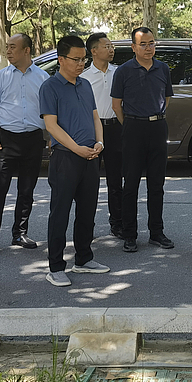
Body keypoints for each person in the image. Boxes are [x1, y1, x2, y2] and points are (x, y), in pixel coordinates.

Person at [39, 35, 109, 287]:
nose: (81, 64)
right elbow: (51, 126)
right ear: (61, 59)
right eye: (76, 59)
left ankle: (84, 259)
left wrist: (99, 142)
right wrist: (77, 148)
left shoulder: (85, 85)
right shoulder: (50, 87)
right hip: (66, 158)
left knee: (87, 210)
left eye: (83, 59)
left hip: (90, 156)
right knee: (60, 213)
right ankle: (56, 267)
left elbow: (95, 117)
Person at [0, 33, 48, 256]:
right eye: (7, 47)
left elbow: (49, 110)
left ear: (27, 50)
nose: (8, 51)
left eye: (13, 47)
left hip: (33, 140)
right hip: (6, 140)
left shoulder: (43, 77)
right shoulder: (2, 76)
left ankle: (20, 233)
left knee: (26, 190)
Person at [111, 26, 174, 253]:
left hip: (158, 127)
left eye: (151, 43)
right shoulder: (123, 71)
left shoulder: (163, 68)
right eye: (143, 44)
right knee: (131, 185)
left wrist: (154, 116)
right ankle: (130, 235)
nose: (149, 48)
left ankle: (157, 232)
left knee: (157, 184)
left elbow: (166, 98)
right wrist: (131, 123)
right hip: (133, 128)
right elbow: (116, 105)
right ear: (133, 47)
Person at [82, 32, 124, 239]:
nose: (111, 49)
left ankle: (117, 224)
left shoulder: (119, 72)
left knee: (116, 180)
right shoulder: (84, 77)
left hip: (115, 129)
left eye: (111, 46)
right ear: (94, 51)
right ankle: (86, 227)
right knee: (89, 182)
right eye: (106, 46)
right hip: (92, 131)